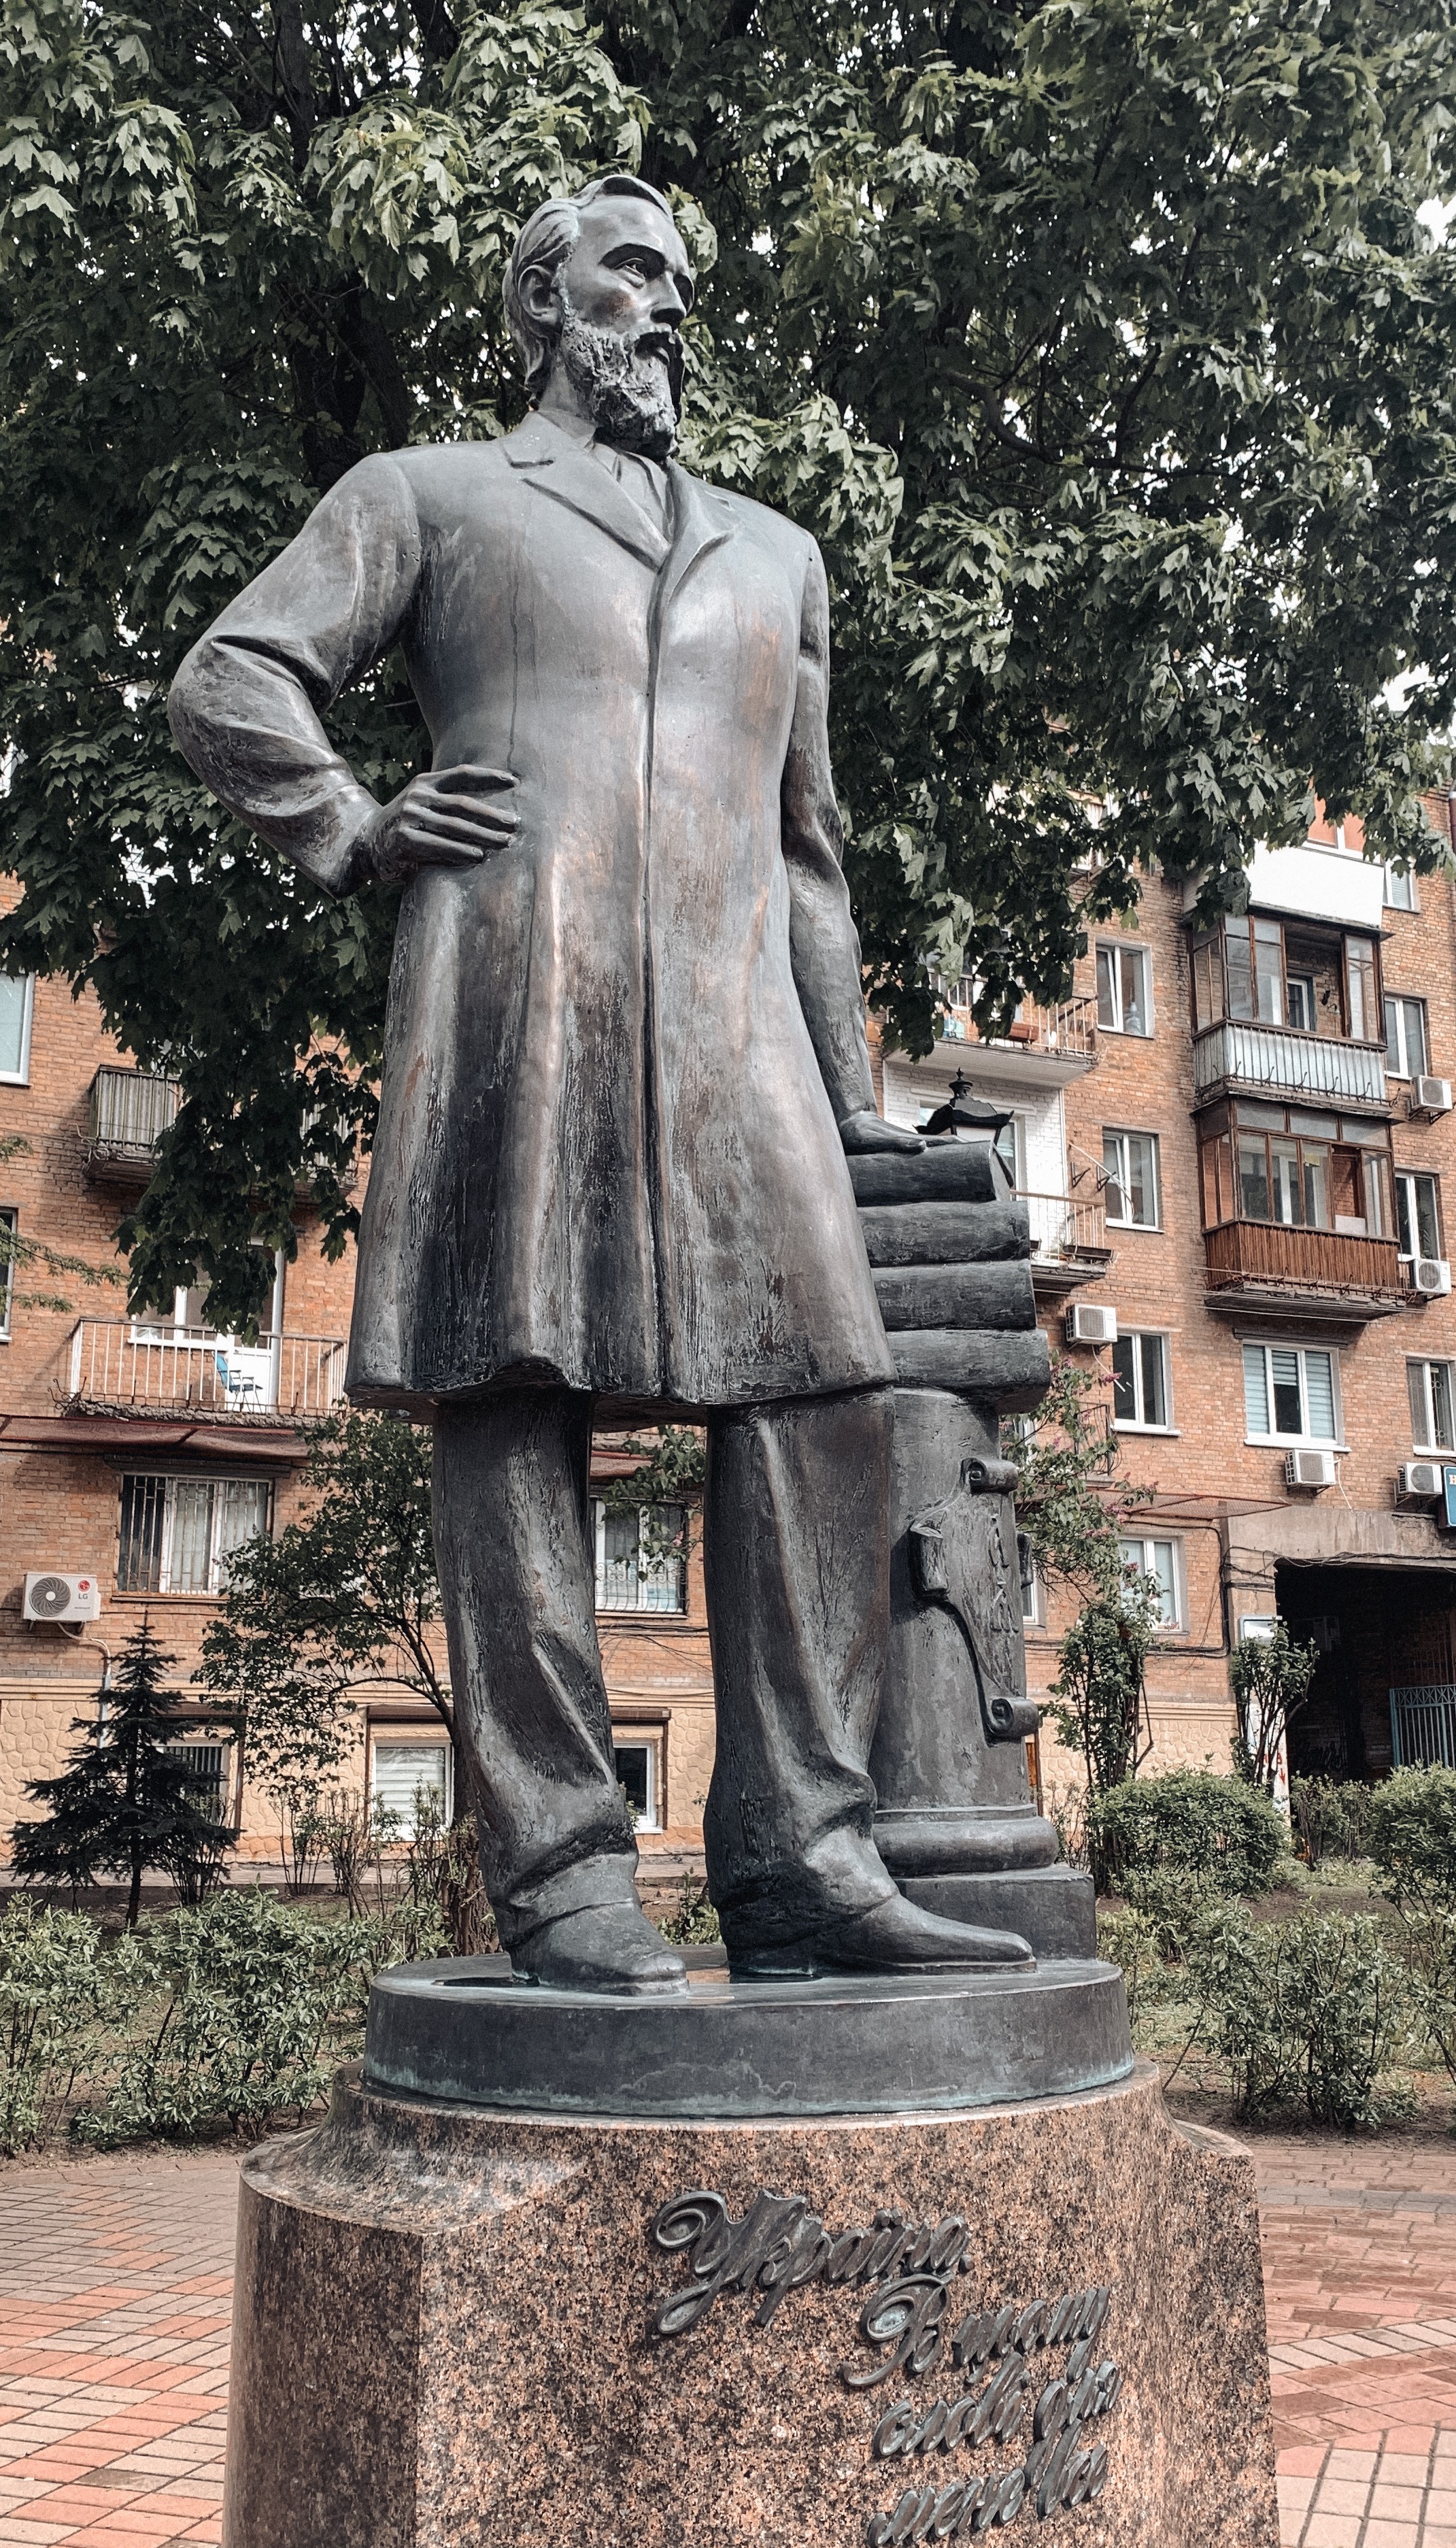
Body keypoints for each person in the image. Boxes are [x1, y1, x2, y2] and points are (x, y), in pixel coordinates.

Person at [169, 175, 1030, 1994]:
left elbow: (810, 856)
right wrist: (352, 821)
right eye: (634, 271)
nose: (669, 306)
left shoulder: (777, 553)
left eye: (682, 280)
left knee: (821, 1398)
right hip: (517, 996)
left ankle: (802, 1859)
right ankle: (560, 1872)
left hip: (741, 1038)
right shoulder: (428, 494)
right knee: (514, 1398)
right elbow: (231, 675)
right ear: (543, 302)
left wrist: (851, 1099)